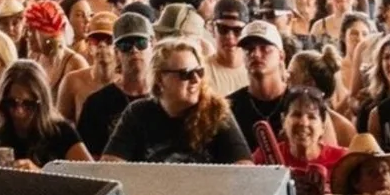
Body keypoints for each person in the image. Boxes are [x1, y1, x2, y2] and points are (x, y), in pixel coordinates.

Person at [102, 38, 252, 165]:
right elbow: (110, 167)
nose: (196, 80)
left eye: (199, 72)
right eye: (185, 74)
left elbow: (244, 168)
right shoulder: (137, 113)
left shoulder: (216, 110)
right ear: (160, 79)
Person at [0, 58, 90, 169]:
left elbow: (91, 178)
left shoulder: (61, 131)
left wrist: (41, 175)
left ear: (42, 103)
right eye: (11, 103)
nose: (19, 112)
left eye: (28, 104)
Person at [76, 11, 153, 155]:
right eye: (126, 45)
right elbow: (89, 161)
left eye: (141, 43)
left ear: (152, 46)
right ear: (117, 53)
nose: (134, 50)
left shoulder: (166, 98)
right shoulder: (97, 104)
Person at [226, 20, 290, 149]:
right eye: (249, 49)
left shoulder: (298, 102)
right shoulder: (228, 107)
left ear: (281, 56)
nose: (256, 54)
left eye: (265, 48)